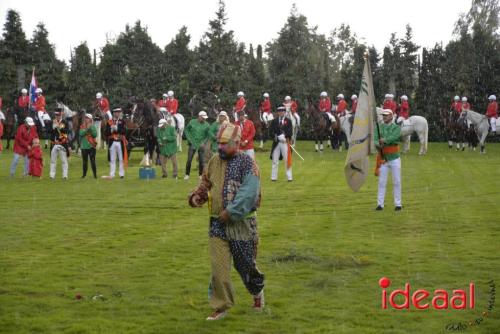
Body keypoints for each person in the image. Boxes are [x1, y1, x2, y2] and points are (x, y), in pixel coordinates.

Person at [188, 122, 265, 321]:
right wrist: (198, 196)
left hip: (243, 225)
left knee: (245, 266)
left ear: (237, 143)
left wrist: (230, 212)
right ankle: (221, 307)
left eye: (224, 144)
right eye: (218, 143)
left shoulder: (248, 164)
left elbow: (249, 194)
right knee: (219, 268)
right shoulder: (214, 161)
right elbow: (206, 182)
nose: (219, 147)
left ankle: (257, 291)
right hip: (217, 224)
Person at [375, 109, 402, 211]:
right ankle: (380, 204)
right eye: (383, 115)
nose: (384, 117)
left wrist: (384, 140)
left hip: (394, 158)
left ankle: (398, 204)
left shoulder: (396, 128)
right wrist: (378, 143)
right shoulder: (379, 127)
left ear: (391, 116)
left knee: (397, 181)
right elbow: (375, 139)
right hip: (383, 158)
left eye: (386, 115)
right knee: (382, 182)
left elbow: (395, 137)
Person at [184, 111, 210, 180]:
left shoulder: (207, 125)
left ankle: (200, 175)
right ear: (199, 117)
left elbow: (208, 135)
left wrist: (204, 142)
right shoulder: (192, 122)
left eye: (205, 118)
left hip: (201, 144)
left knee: (201, 161)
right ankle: (187, 174)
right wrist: (189, 139)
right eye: (203, 118)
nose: (204, 119)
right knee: (189, 160)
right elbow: (187, 130)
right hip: (192, 143)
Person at [270, 106, 293, 181]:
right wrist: (277, 137)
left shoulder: (288, 121)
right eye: (279, 111)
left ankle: (289, 177)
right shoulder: (274, 121)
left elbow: (290, 132)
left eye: (282, 111)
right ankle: (273, 177)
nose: (281, 112)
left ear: (284, 112)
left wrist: (285, 136)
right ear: (278, 112)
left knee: (287, 160)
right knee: (275, 160)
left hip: (285, 143)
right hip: (276, 143)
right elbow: (271, 132)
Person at [103, 108, 127, 179]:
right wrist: (111, 130)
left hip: (120, 141)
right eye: (116, 112)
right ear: (114, 113)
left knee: (121, 158)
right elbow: (106, 133)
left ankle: (121, 174)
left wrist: (117, 129)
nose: (118, 114)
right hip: (112, 141)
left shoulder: (122, 122)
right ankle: (112, 174)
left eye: (119, 112)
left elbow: (124, 131)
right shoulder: (109, 122)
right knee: (112, 159)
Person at [49, 109, 69, 179]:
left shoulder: (65, 122)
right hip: (54, 143)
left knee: (64, 160)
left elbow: (66, 133)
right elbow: (50, 132)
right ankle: (52, 175)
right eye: (56, 115)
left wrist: (60, 127)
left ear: (61, 114)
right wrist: (52, 128)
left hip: (62, 143)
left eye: (58, 115)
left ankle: (65, 175)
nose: (57, 116)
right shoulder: (53, 122)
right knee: (53, 160)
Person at [79, 113, 98, 178]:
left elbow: (95, 135)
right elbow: (81, 133)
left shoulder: (93, 126)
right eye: (85, 118)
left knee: (93, 161)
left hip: (91, 146)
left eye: (87, 118)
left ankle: (95, 175)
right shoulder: (82, 126)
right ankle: (84, 175)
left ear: (90, 119)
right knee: (84, 162)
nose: (86, 119)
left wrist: (90, 130)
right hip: (84, 147)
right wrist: (87, 130)